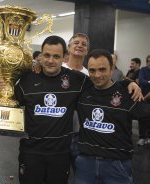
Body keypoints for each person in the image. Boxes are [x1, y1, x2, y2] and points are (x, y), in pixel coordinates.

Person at [0, 35, 141, 184]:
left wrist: (128, 83)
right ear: (40, 56)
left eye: (56, 56)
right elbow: (10, 101)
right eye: (47, 55)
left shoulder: (77, 80)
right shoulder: (27, 79)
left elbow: (102, 80)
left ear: (64, 57)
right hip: (31, 152)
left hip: (61, 154)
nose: (50, 60)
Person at [75, 49, 150, 184]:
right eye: (92, 70)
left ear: (112, 70)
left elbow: (146, 113)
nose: (97, 75)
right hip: (85, 164)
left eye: (102, 69)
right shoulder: (82, 90)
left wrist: (130, 83)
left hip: (117, 165)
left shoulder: (127, 94)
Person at [62, 33, 89, 173]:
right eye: (76, 42)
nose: (80, 45)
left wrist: (129, 83)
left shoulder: (90, 75)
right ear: (69, 47)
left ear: (87, 51)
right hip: (58, 132)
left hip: (80, 134)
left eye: (84, 44)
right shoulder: (57, 69)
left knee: (81, 175)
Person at [137, 55, 150, 146]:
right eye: (148, 61)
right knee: (142, 118)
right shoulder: (142, 70)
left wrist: (147, 82)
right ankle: (142, 138)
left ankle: (148, 137)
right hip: (143, 98)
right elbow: (141, 81)